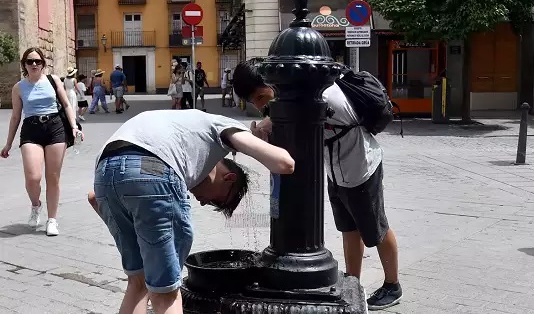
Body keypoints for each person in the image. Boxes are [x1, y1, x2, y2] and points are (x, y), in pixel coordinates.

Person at [232, 60, 402, 311]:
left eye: (260, 97)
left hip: (361, 166)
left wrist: (270, 124)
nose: (260, 106)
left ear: (272, 83)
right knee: (349, 228)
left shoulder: (319, 93)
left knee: (375, 227)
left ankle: (392, 285)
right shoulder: (297, 93)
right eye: (254, 102)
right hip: (336, 170)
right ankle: (353, 283)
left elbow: (300, 117)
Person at [92, 109, 294, 314]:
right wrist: (260, 138)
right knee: (166, 294)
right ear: (229, 178)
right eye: (217, 200)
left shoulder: (185, 131)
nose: (204, 203)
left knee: (137, 283)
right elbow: (285, 163)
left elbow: (94, 198)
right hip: (153, 170)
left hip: (104, 172)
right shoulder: (221, 124)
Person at [1, 47, 84, 236]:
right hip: (31, 129)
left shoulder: (53, 80)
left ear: (43, 64)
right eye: (30, 61)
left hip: (55, 127)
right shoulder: (18, 87)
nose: (34, 64)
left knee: (52, 177)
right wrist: (8, 143)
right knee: (33, 178)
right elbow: (15, 117)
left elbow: (66, 105)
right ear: (24, 65)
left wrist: (74, 126)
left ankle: (52, 220)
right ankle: (35, 205)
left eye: (37, 61)